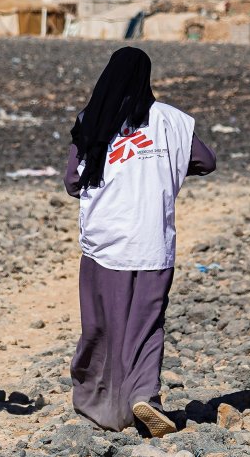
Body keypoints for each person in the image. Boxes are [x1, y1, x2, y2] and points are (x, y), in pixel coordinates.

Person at [62, 47, 216, 437]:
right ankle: (145, 393)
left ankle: (103, 404)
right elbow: (205, 161)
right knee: (146, 325)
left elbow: (72, 181)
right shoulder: (171, 121)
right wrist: (162, 167)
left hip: (105, 243)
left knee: (103, 325)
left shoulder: (91, 120)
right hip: (153, 242)